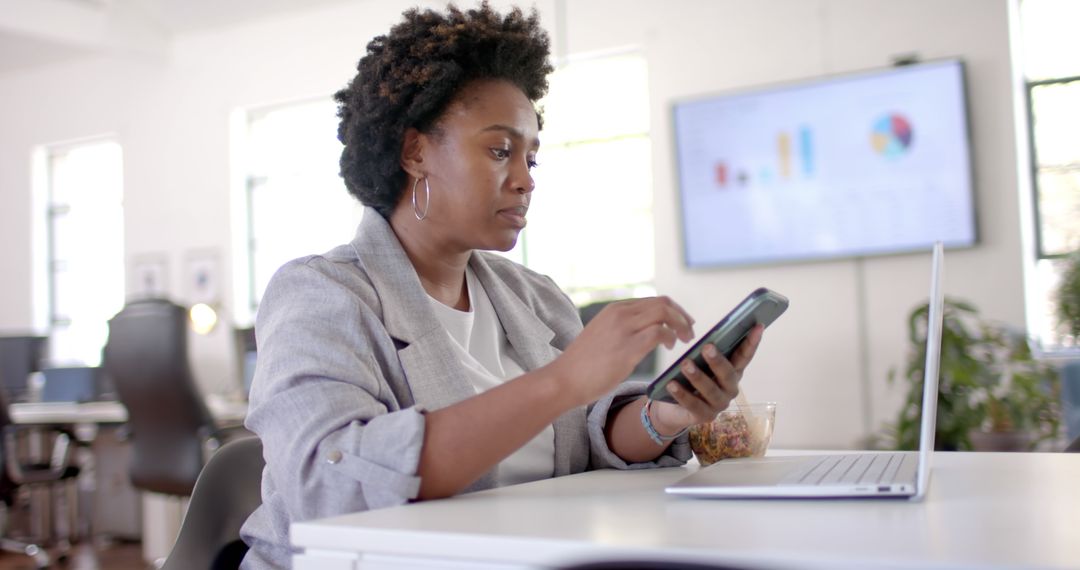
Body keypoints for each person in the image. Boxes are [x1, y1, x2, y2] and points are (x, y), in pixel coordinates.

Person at [238, 3, 764, 568]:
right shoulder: (320, 294)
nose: (524, 180)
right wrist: (563, 380)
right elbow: (329, 483)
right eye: (498, 151)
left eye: (531, 159)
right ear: (415, 152)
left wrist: (664, 415)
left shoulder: (532, 296)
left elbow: (587, 434)